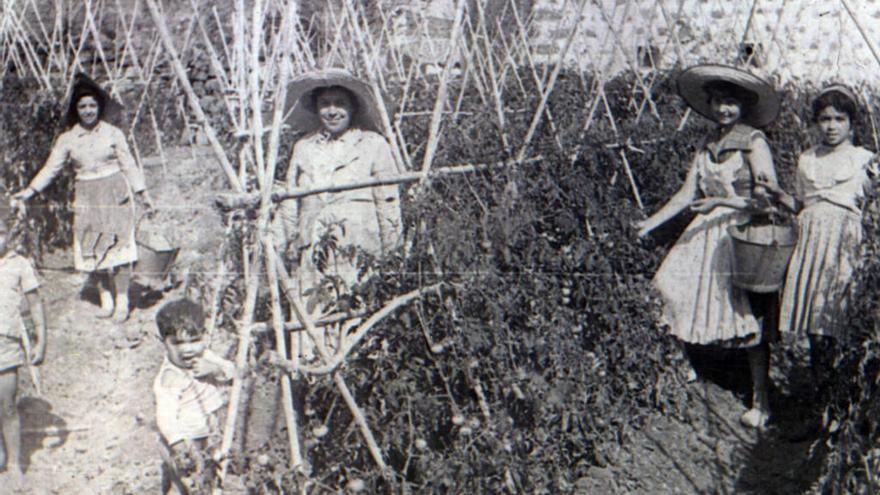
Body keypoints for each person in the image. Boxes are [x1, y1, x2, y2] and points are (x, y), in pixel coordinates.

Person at [635, 65, 782, 428]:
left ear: (743, 106)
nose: (723, 110)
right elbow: (688, 194)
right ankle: (684, 368)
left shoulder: (754, 142)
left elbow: (768, 201)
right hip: (705, 231)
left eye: (730, 103)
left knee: (747, 315)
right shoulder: (708, 144)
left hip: (744, 234)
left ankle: (761, 398)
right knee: (666, 288)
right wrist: (648, 223)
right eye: (718, 102)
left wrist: (722, 204)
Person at [274, 68, 403, 359]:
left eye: (339, 103)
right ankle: (319, 378)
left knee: (359, 312)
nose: (332, 111)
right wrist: (285, 242)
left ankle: (361, 369)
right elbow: (290, 201)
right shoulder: (304, 147)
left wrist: (392, 250)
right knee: (317, 313)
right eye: (325, 104)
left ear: (353, 107)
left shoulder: (372, 145)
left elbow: (388, 201)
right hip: (314, 247)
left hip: (359, 246)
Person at [759, 85, 877, 391]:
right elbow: (802, 205)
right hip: (811, 244)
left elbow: (872, 211)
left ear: (852, 123)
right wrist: (776, 194)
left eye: (839, 119)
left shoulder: (865, 161)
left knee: (839, 323)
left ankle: (841, 403)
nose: (832, 126)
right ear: (816, 122)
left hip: (844, 246)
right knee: (814, 326)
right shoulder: (807, 160)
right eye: (825, 119)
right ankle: (819, 404)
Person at [13, 73, 153, 323]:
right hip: (87, 194)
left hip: (114, 191)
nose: (88, 111)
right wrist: (30, 190)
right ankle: (105, 298)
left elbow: (129, 163)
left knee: (120, 247)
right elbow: (51, 168)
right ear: (76, 111)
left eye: (92, 106)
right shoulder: (67, 139)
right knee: (92, 246)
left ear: (99, 107)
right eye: (82, 107)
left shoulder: (112, 133)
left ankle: (123, 300)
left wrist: (142, 193)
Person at [153, 298, 235, 494]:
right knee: (188, 484)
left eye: (194, 340)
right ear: (162, 342)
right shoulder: (170, 378)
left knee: (211, 473)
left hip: (209, 431)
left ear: (204, 336)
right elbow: (165, 418)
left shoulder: (205, 356)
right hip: (188, 440)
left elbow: (231, 371)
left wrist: (214, 369)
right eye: (177, 343)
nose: (187, 349)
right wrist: (179, 444)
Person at [0, 213, 46, 488]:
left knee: (6, 404)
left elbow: (35, 303)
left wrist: (41, 339)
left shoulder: (18, 265)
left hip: (5, 344)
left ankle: (16, 464)